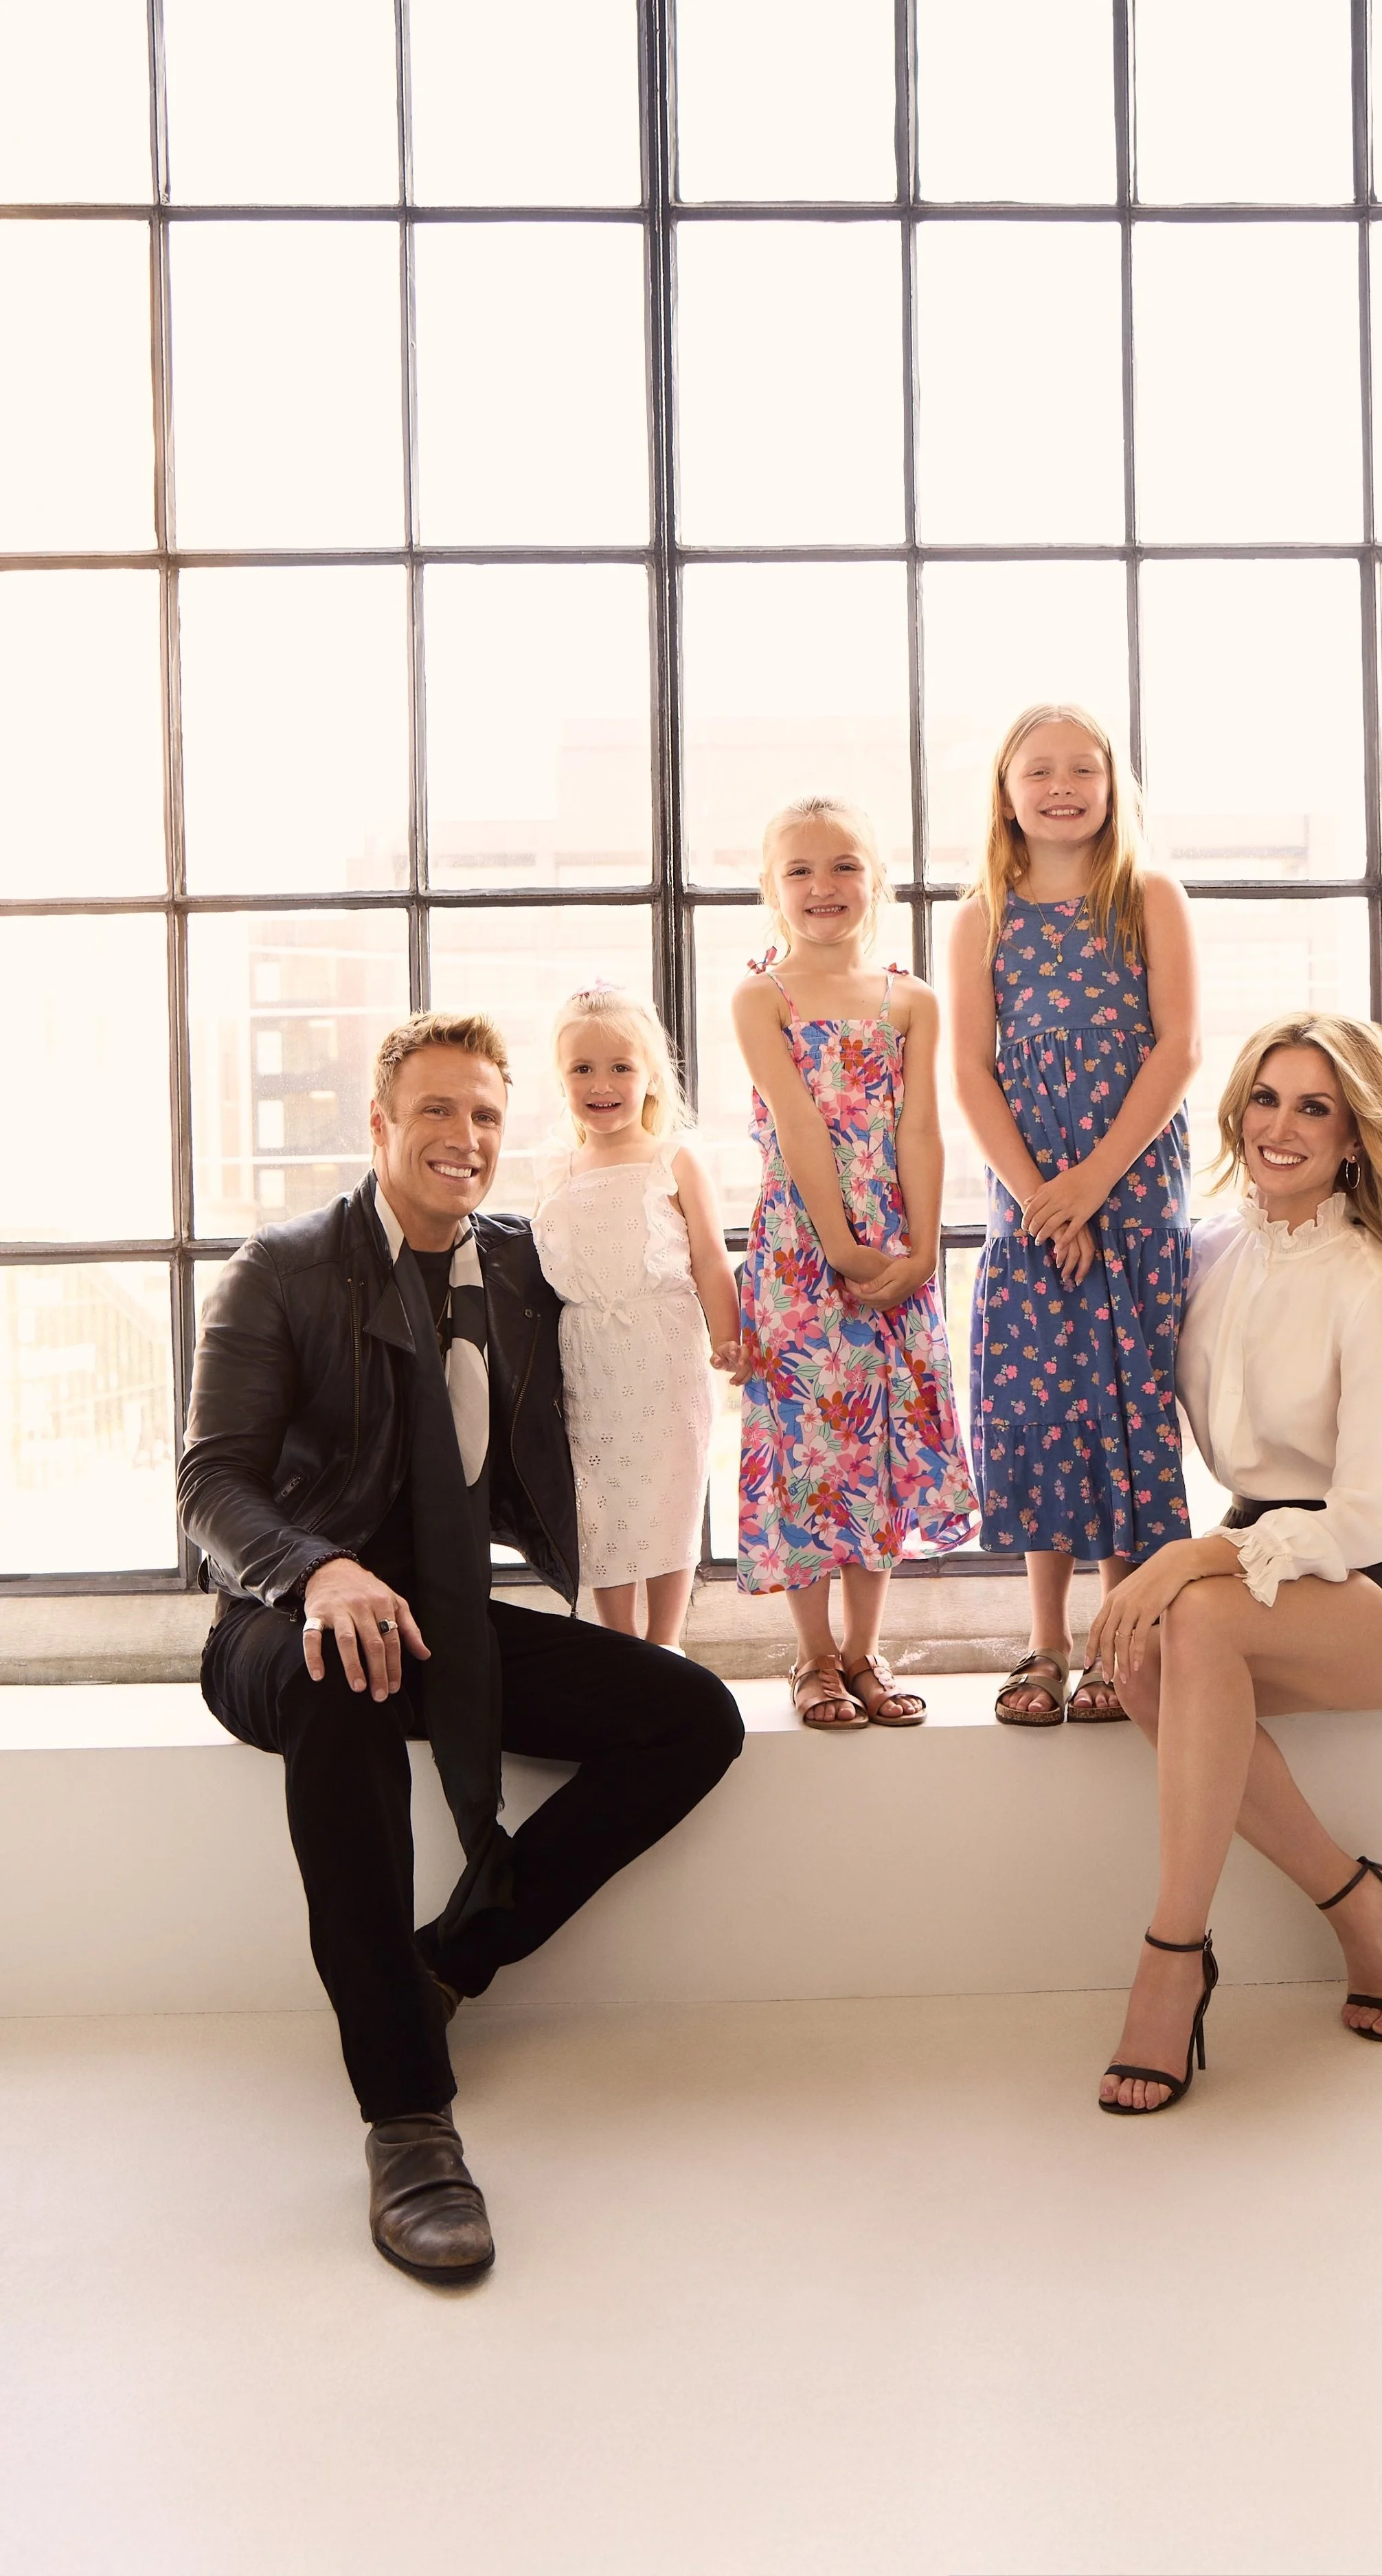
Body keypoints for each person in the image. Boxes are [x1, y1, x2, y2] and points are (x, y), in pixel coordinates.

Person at [180, 1012, 743, 2279]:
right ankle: (408, 2116)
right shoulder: (282, 1268)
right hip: (283, 1619)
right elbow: (212, 1482)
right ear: (380, 1126)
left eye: (486, 1115)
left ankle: (446, 1959)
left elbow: (631, 1335)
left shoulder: (512, 1267)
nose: (465, 1137)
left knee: (692, 1718)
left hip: (436, 1612)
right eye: (437, 1110)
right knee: (341, 1687)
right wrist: (319, 1571)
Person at [1085, 1013, 1382, 2114]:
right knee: (1155, 1661)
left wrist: (1194, 1558)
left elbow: (1371, 1513)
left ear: (1355, 1136)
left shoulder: (1369, 1282)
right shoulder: (1203, 1251)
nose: (1282, 1125)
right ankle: (1356, 1901)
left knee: (1192, 1623)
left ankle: (1173, 1957)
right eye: (1266, 1098)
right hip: (1252, 1567)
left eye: (1314, 1106)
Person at [945, 704, 1200, 1725]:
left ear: (1112, 783)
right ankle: (1044, 1643)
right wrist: (1042, 1199)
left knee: (1125, 1405)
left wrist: (1094, 1182)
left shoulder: (1147, 897)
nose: (1061, 786)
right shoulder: (983, 916)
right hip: (1029, 1191)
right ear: (1006, 791)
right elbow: (969, 1071)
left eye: (1082, 768)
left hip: (1131, 1185)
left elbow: (1176, 1049)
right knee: (1043, 1407)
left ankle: (1118, 1642)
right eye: (1038, 770)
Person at [732, 796, 979, 1728]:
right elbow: (797, 1121)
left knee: (873, 1447)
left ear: (874, 880)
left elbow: (920, 1127)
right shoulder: (764, 998)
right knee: (808, 1448)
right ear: (772, 889)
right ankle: (813, 1657)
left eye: (843, 866)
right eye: (799, 871)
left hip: (896, 1251)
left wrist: (919, 1251)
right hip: (802, 1253)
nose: (823, 887)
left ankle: (868, 1652)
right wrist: (838, 1243)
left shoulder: (910, 999)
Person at [533, 984, 740, 1650]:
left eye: (620, 1066)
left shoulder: (673, 1157)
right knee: (602, 1501)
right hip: (588, 1356)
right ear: (560, 1077)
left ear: (650, 1073)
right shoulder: (554, 1166)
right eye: (582, 1068)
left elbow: (711, 1256)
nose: (603, 1083)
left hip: (667, 1349)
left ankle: (667, 1641)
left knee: (670, 1493)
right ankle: (620, 1644)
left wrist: (728, 1334)